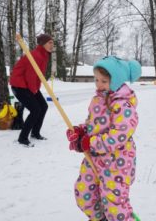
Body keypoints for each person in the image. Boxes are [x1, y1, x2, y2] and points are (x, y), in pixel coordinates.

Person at [65, 56, 141, 221]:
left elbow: (118, 135)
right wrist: (81, 131)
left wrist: (89, 143)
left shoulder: (123, 105)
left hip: (116, 163)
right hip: (94, 159)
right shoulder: (98, 99)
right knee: (84, 194)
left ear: (116, 81)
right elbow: (94, 125)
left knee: (115, 207)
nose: (99, 85)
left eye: (104, 81)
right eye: (96, 80)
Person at [9, 34, 54, 146]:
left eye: (52, 42)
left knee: (43, 106)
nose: (52, 45)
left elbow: (36, 76)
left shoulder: (43, 55)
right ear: (43, 44)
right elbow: (31, 75)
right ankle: (22, 138)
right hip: (19, 86)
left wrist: (35, 89)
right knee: (35, 110)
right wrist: (34, 90)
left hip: (28, 85)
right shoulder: (36, 55)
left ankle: (35, 133)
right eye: (50, 42)